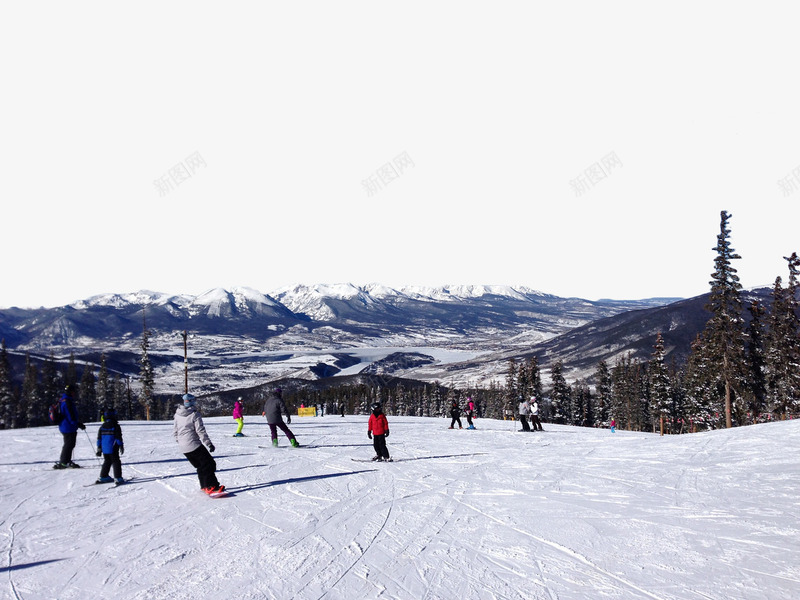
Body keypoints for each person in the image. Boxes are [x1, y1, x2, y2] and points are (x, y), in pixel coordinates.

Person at [173, 393, 224, 495]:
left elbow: (175, 431)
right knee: (209, 463)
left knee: (200, 466)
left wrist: (181, 442)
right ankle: (212, 486)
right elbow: (200, 431)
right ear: (192, 401)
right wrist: (208, 443)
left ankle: (205, 486)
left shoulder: (177, 414)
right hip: (193, 444)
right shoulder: (194, 414)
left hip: (183, 447)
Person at [54, 384, 86, 469]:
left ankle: (66, 460)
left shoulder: (63, 400)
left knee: (69, 444)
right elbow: (70, 415)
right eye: (73, 391)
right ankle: (64, 462)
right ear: (71, 392)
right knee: (69, 444)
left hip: (65, 425)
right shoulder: (67, 401)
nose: (74, 393)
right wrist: (77, 424)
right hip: (68, 426)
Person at [95, 406, 124, 484]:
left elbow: (99, 439)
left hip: (105, 449)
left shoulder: (102, 427)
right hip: (113, 448)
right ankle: (118, 477)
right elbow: (118, 437)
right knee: (116, 461)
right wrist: (121, 445)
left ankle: (103, 476)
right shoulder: (115, 426)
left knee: (107, 461)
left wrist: (99, 448)